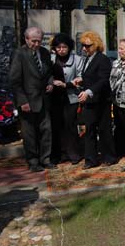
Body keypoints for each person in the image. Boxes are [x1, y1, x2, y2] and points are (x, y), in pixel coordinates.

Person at [9, 27, 56, 172]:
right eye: (33, 41)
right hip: (27, 102)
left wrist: (50, 83)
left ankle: (45, 159)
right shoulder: (19, 54)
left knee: (46, 131)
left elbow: (48, 72)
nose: (36, 44)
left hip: (43, 100)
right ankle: (33, 162)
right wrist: (22, 101)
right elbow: (14, 80)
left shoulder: (44, 53)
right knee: (29, 134)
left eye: (39, 41)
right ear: (26, 39)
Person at [75, 31, 118, 169]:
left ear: (96, 45)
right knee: (89, 130)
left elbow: (103, 80)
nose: (84, 48)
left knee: (104, 129)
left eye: (87, 45)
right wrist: (81, 80)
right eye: (83, 45)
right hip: (90, 101)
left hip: (101, 101)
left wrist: (88, 91)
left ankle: (109, 156)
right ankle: (90, 159)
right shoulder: (88, 58)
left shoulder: (103, 59)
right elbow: (91, 76)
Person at [50, 33, 84, 165]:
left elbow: (81, 76)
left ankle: (74, 154)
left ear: (69, 47)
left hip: (71, 96)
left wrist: (67, 84)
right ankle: (59, 154)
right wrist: (52, 82)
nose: (61, 50)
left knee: (70, 126)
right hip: (54, 98)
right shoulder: (51, 58)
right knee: (57, 126)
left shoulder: (77, 59)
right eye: (58, 47)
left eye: (64, 47)